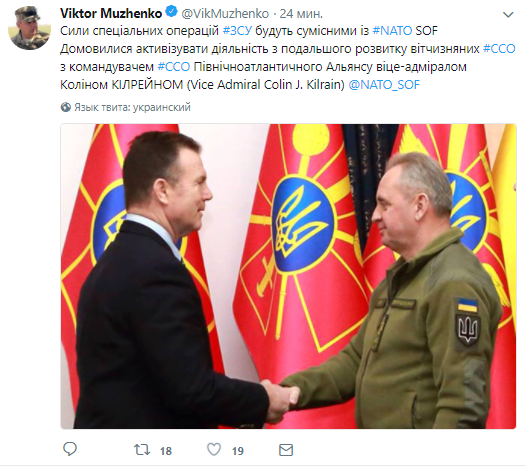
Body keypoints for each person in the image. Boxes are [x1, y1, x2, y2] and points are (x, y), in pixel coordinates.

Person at [75, 131, 297, 428]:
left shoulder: (116, 261)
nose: (208, 194)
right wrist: (263, 400)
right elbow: (192, 391)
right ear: (162, 191)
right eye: (199, 182)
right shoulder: (155, 271)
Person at [281, 152, 502, 429]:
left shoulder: (454, 282)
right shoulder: (403, 275)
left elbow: (462, 406)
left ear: (419, 206)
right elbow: (355, 362)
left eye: (384, 205)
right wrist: (288, 392)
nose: (375, 216)